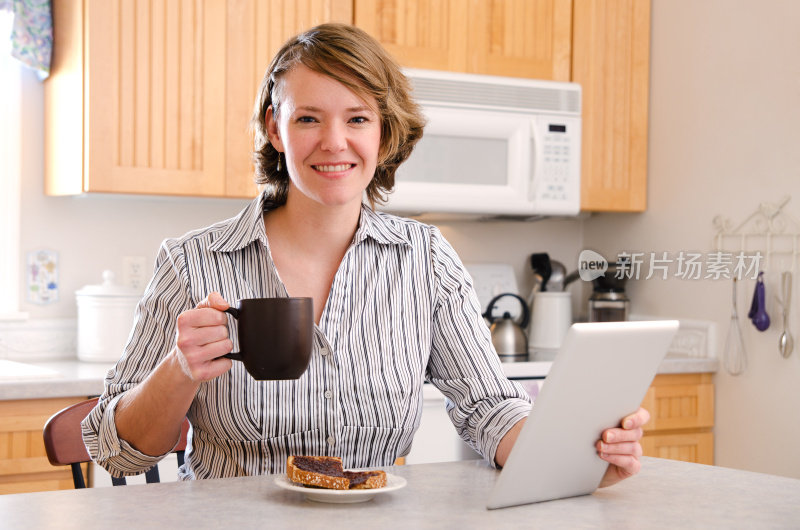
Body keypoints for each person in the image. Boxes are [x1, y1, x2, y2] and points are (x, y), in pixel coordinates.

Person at [82, 23, 649, 486]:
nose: (334, 141)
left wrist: (584, 456)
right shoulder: (192, 262)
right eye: (308, 118)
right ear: (274, 129)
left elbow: (489, 409)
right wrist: (179, 372)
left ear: (384, 133)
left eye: (357, 118)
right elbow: (116, 453)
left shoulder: (424, 259)